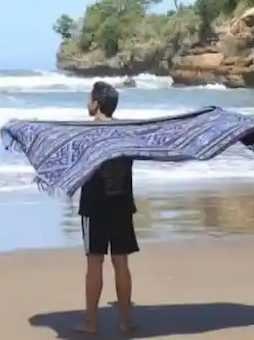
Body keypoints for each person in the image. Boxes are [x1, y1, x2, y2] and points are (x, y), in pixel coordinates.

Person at [75, 81, 138, 335]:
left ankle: (90, 323)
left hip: (94, 204)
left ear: (96, 103)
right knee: (121, 262)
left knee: (94, 263)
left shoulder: (85, 134)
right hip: (122, 202)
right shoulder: (128, 132)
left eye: (89, 99)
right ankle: (124, 322)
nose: (87, 103)